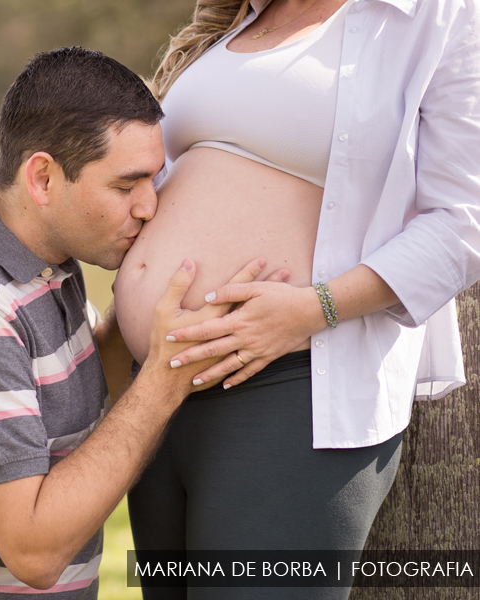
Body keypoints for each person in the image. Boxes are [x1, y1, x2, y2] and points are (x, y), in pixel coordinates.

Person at [0, 46, 289, 599]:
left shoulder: (41, 252)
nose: (149, 205)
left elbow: (69, 399)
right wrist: (162, 382)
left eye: (155, 179)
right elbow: (35, 550)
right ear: (43, 179)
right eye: (126, 186)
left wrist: (150, 314)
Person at [112, 0, 480, 597]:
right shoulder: (237, 21)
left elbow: (464, 224)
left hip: (294, 386)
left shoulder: (441, 16)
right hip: (158, 392)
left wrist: (315, 308)